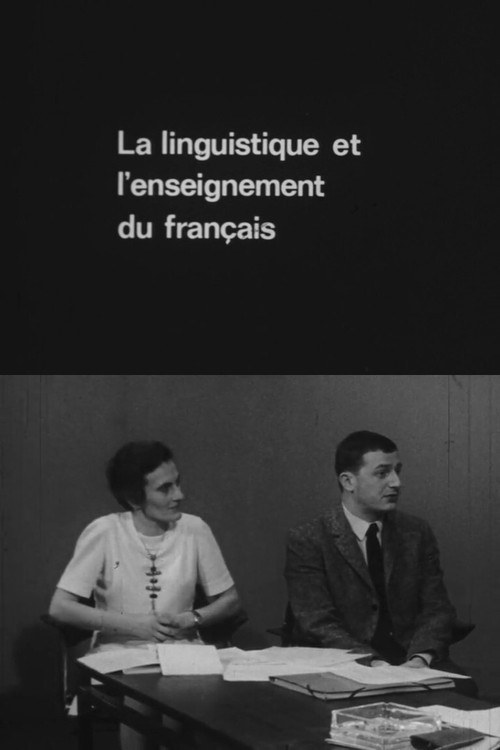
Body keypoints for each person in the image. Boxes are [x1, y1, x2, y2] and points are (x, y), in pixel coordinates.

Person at [49, 440, 243, 748]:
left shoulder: (195, 529)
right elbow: (60, 608)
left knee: (191, 702)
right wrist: (135, 625)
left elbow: (230, 602)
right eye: (165, 489)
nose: (179, 495)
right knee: (142, 698)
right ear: (133, 498)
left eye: (177, 483)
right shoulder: (104, 531)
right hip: (120, 654)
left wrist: (191, 618)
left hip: (183, 654)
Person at [285, 430, 463, 670]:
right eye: (382, 473)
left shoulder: (416, 532)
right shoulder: (308, 539)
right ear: (348, 481)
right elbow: (316, 621)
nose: (396, 483)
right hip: (345, 664)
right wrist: (374, 664)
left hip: (412, 660)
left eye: (397, 471)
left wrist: (420, 659)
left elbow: (437, 608)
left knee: (466, 689)